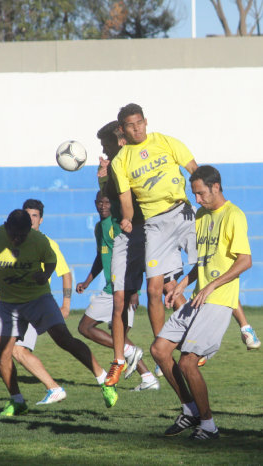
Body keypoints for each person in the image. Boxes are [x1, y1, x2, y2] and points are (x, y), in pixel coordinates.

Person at [0, 209, 108, 415]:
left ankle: (103, 378)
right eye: (15, 234)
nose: (19, 239)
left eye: (23, 234)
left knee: (63, 339)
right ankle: (17, 400)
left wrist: (45, 275)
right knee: (0, 348)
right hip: (7, 304)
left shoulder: (38, 240)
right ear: (6, 226)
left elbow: (51, 262)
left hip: (38, 299)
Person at [151, 165, 252, 440]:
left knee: (188, 363)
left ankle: (208, 426)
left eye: (200, 193)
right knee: (159, 350)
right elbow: (203, 261)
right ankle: (190, 410)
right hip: (199, 297)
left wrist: (211, 285)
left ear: (215, 187)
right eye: (194, 194)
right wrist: (182, 285)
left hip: (218, 300)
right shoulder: (202, 215)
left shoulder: (234, 215)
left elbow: (245, 260)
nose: (197, 199)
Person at [106, 103, 198, 387]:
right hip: (154, 225)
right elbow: (124, 200)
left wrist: (203, 203)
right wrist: (128, 220)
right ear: (123, 129)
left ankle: (235, 328)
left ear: (145, 121)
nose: (137, 129)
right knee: (154, 289)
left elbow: (194, 170)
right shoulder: (120, 161)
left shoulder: (165, 141)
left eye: (140, 123)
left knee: (210, 266)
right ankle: (163, 350)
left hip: (181, 213)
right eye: (130, 126)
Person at [77, 191, 160, 393]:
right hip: (110, 287)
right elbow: (101, 255)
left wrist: (134, 290)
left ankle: (133, 356)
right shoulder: (99, 228)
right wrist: (88, 280)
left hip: (123, 288)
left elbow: (136, 255)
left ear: (113, 205)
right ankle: (148, 377)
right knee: (113, 334)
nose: (103, 206)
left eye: (107, 202)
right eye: (99, 202)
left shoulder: (119, 223)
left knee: (86, 327)